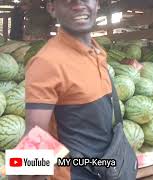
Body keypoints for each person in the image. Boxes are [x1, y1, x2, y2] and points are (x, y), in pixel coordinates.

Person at [12, 0, 117, 179]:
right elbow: (34, 137)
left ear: (97, 4)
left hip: (104, 168)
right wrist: (19, 173)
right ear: (52, 8)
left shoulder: (98, 51)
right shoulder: (46, 62)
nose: (78, 4)